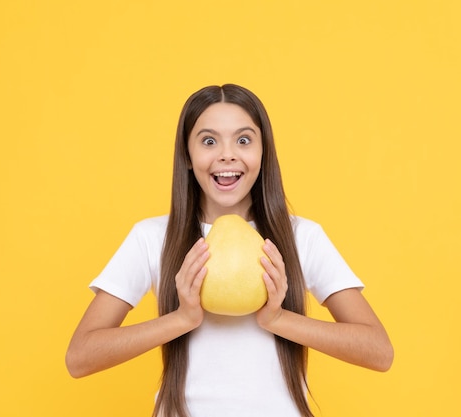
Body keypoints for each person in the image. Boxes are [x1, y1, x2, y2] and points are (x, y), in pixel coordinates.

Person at [65, 84, 394, 417]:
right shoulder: (152, 237)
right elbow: (80, 358)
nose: (227, 154)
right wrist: (182, 318)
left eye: (243, 140)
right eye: (209, 141)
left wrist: (279, 319)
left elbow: (378, 351)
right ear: (188, 157)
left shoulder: (301, 237)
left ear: (263, 153)